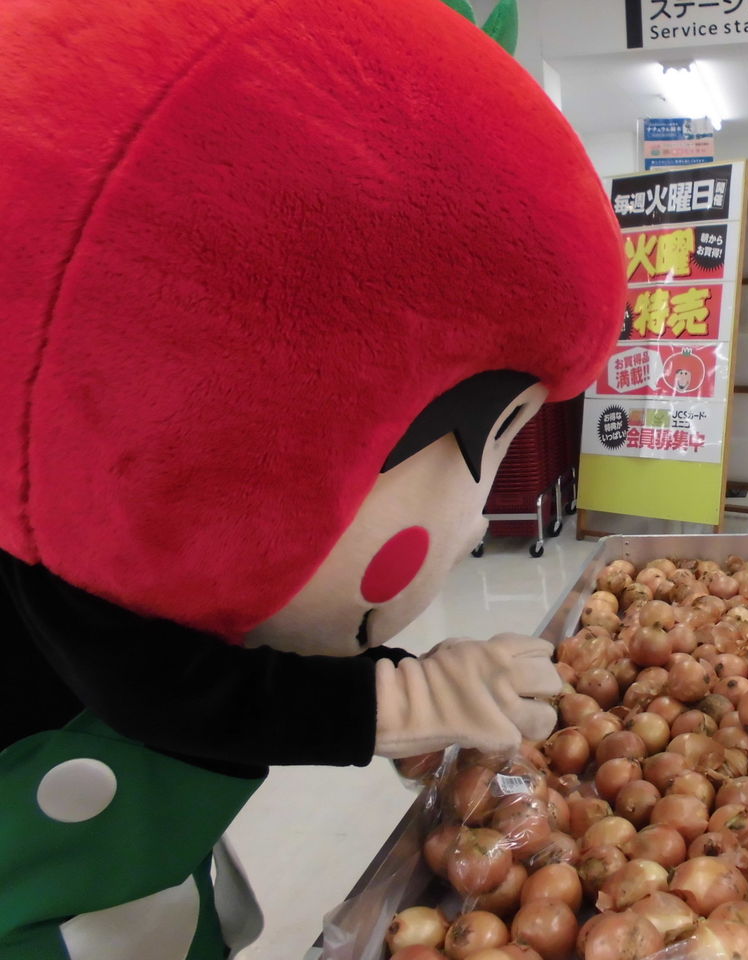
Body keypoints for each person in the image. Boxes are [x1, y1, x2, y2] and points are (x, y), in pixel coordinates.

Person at [0, 0, 624, 956]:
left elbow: (226, 673)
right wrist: (395, 704)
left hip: (140, 886)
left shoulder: (127, 566)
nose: (467, 528)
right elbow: (168, 691)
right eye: (464, 441)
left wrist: (403, 696)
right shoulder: (62, 581)